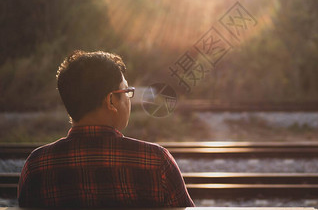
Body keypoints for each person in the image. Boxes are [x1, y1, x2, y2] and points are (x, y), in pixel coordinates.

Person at [18, 50, 195, 208]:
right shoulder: (156, 161)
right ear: (111, 101)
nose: (129, 99)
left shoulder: (37, 165)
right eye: (126, 92)